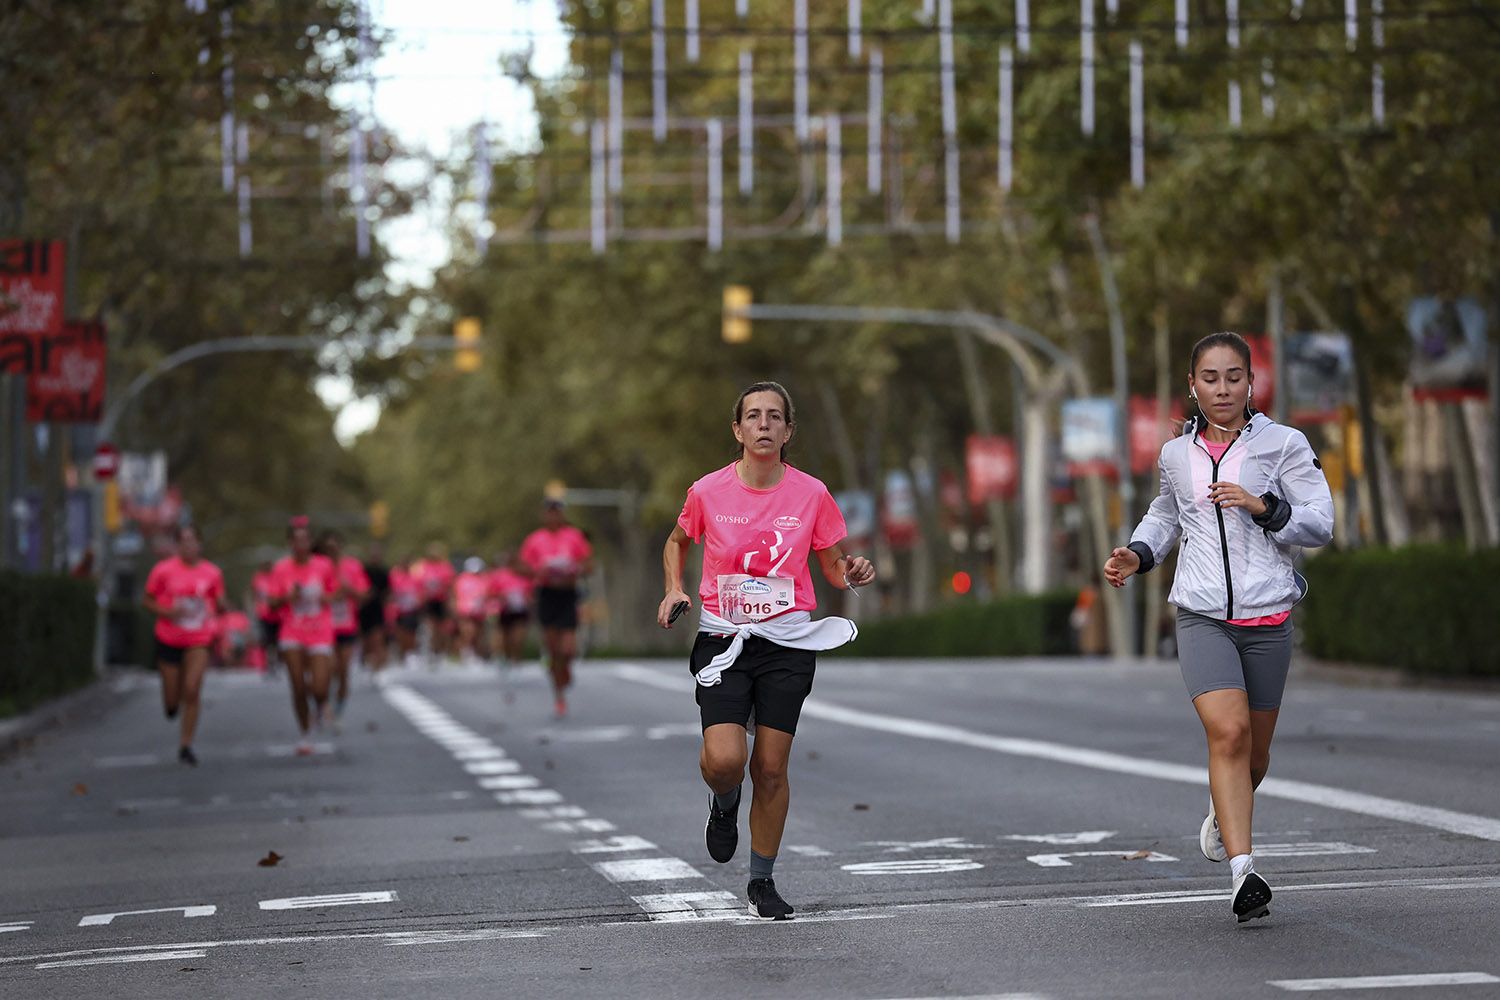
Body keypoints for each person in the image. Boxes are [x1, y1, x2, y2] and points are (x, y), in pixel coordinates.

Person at [1104, 331, 1333, 924]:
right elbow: (1166, 513)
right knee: (1227, 734)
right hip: (1202, 614)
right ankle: (1243, 872)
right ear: (1193, 385)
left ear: (1251, 382)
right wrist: (1138, 552)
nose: (1223, 388)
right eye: (1210, 378)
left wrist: (1266, 507)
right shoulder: (1176, 454)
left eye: (1234, 376)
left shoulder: (1284, 445)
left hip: (1269, 616)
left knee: (1254, 756)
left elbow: (1320, 523)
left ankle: (1222, 806)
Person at [657, 381, 874, 920]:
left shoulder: (812, 494)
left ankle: (762, 881)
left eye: (774, 417)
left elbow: (830, 564)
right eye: (752, 416)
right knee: (727, 760)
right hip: (723, 638)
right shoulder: (707, 492)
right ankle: (723, 802)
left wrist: (852, 571)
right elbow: (678, 541)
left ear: (787, 431)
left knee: (772, 768)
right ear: (737, 429)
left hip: (786, 641)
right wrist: (674, 587)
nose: (763, 424)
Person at [141, 524, 224, 766]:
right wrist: (167, 611)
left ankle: (186, 744)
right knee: (172, 700)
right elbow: (147, 600)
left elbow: (218, 600)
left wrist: (220, 605)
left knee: (192, 688)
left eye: (193, 541)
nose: (189, 546)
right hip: (169, 637)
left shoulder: (212, 572)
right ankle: (171, 705)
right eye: (184, 541)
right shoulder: (163, 570)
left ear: (199, 544)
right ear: (178, 545)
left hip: (199, 638)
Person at [270, 517, 342, 755]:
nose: (301, 544)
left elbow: (334, 593)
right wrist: (287, 597)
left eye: (305, 539)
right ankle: (305, 733)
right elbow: (271, 602)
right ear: (290, 543)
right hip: (292, 630)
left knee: (320, 687)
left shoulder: (323, 565)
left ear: (310, 542)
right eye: (296, 540)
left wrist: (323, 597)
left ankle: (321, 705)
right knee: (298, 686)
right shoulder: (281, 568)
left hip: (320, 630)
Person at [520, 499, 594, 718]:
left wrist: (574, 569)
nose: (553, 517)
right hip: (547, 595)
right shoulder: (535, 540)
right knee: (553, 648)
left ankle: (567, 667)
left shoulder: (574, 536)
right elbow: (523, 566)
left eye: (557, 513)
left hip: (568, 594)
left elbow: (589, 564)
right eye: (549, 513)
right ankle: (559, 695)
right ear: (544, 515)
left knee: (568, 648)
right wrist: (539, 570)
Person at [319, 530, 370, 719]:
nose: (332, 551)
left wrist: (350, 590)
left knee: (342, 671)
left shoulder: (352, 566)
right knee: (327, 668)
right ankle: (323, 703)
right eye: (328, 548)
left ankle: (339, 705)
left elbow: (365, 595)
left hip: (347, 625)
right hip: (322, 627)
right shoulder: (317, 567)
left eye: (335, 547)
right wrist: (332, 597)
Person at [488, 551, 533, 668]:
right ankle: (505, 657)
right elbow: (490, 592)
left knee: (518, 636)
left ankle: (516, 658)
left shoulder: (524, 576)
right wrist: (502, 596)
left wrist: (527, 600)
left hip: (520, 610)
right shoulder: (500, 575)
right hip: (505, 610)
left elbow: (531, 592)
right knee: (504, 636)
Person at [413, 544, 455, 658]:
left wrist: (451, 603)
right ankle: (431, 651)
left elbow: (450, 586)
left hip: (441, 601)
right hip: (428, 602)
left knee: (442, 629)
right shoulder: (422, 567)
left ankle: (440, 651)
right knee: (430, 627)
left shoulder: (445, 567)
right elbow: (417, 584)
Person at [359, 542, 392, 671]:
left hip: (378, 609)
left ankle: (377, 666)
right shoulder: (364, 570)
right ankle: (367, 660)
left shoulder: (384, 572)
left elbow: (388, 592)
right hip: (363, 610)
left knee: (377, 638)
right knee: (366, 640)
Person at [451, 557, 491, 662]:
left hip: (480, 612)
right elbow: (457, 596)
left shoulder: (485, 579)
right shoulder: (461, 580)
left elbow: (488, 595)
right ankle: (465, 653)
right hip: (465, 611)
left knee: (478, 634)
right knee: (467, 633)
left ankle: (476, 654)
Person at [387, 556, 423, 666]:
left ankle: (410, 653)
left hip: (411, 610)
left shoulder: (415, 578)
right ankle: (401, 654)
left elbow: (421, 593)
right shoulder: (394, 577)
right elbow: (390, 593)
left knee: (411, 633)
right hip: (398, 611)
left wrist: (418, 601)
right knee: (400, 634)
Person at [251, 560, 281, 673]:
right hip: (263, 613)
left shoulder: (276, 577)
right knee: (265, 639)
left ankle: (276, 661)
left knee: (276, 640)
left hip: (277, 615)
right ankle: (267, 663)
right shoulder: (258, 577)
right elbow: (255, 594)